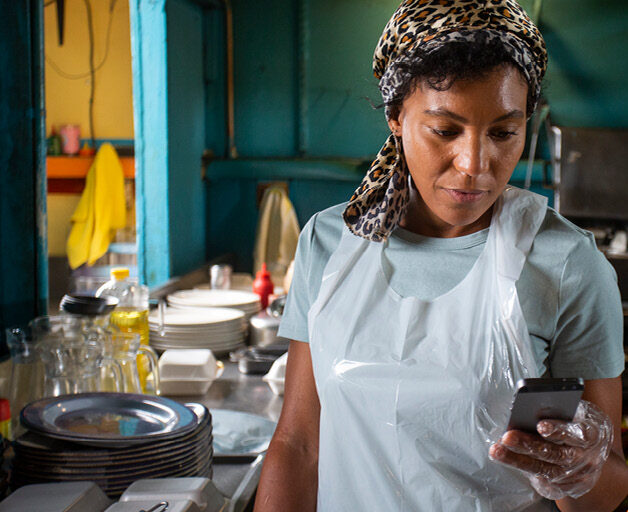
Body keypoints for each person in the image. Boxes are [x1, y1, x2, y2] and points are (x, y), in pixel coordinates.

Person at [254, 1, 628, 510]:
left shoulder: (569, 265)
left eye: (503, 132)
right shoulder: (331, 242)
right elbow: (299, 446)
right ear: (396, 117)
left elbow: (605, 492)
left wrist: (578, 471)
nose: (476, 164)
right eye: (445, 130)